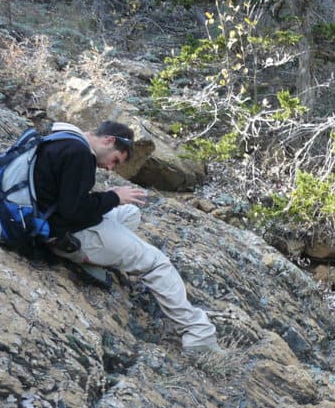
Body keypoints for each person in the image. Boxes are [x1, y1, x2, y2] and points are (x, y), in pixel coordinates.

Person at [33, 120, 223, 356]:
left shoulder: (60, 137)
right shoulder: (79, 153)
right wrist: (113, 198)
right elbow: (73, 211)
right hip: (64, 235)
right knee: (157, 263)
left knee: (130, 213)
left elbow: (65, 199)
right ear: (109, 140)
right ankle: (199, 337)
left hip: (42, 221)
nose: (110, 168)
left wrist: (112, 199)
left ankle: (106, 253)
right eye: (115, 160)